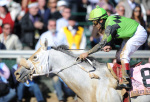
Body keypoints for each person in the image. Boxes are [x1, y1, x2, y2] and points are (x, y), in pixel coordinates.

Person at [79, 5, 147, 89]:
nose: (93, 25)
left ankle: (126, 81)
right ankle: (120, 76)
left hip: (138, 33)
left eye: (95, 22)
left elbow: (101, 43)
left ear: (101, 20)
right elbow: (115, 36)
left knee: (124, 55)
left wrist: (87, 53)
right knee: (118, 56)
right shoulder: (109, 21)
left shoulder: (110, 24)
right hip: (131, 34)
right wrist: (110, 44)